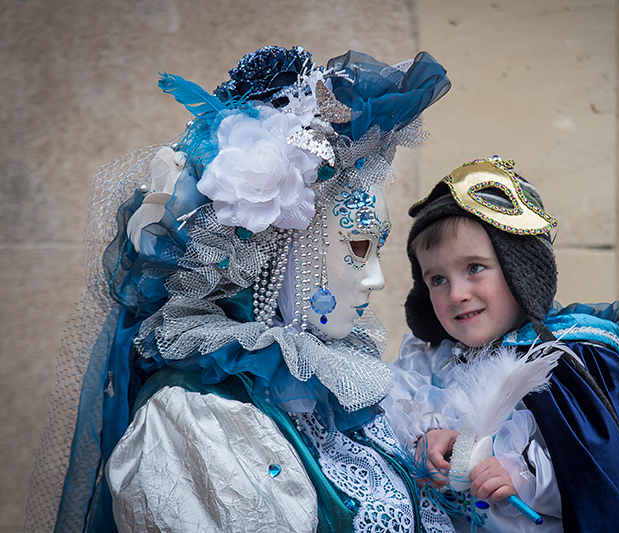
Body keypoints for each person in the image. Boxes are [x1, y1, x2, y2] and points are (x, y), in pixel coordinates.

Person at [22, 45, 454, 533]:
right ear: (275, 251)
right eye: (357, 247)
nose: (375, 279)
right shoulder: (193, 416)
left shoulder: (335, 380)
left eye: (378, 249)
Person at [381, 157, 619, 532]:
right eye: (437, 279)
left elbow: (608, 477)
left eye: (475, 268)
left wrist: (527, 478)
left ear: (523, 271)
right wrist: (427, 442)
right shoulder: (431, 367)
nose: (457, 294)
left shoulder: (568, 363)